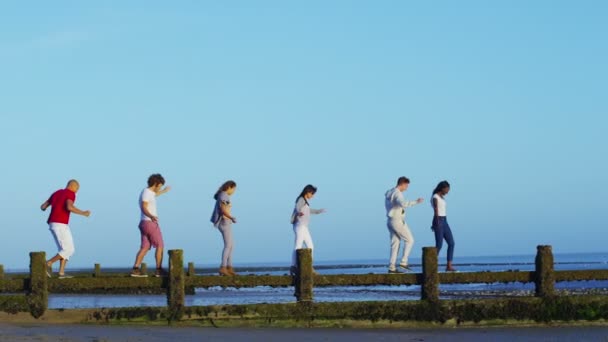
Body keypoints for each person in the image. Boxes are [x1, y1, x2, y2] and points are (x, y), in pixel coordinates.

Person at [40, 179, 91, 279]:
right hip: (60, 224)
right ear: (72, 186)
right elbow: (69, 207)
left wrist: (47, 208)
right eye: (77, 189)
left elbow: (43, 206)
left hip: (53, 223)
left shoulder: (56, 193)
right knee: (69, 249)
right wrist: (83, 213)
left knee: (64, 249)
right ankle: (48, 263)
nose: (76, 192)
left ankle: (61, 273)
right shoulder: (70, 193)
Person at [130, 174, 171, 277]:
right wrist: (151, 216)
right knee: (160, 245)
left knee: (145, 247)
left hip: (143, 223)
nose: (160, 188)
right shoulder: (147, 192)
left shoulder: (148, 192)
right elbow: (143, 206)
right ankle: (159, 270)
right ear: (156, 184)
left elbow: (154, 196)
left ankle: (135, 269)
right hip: (150, 223)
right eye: (160, 186)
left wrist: (164, 191)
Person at [384, 177, 424, 273]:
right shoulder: (397, 194)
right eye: (406, 186)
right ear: (402, 184)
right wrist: (416, 202)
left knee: (395, 244)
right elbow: (403, 204)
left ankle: (392, 267)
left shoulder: (390, 192)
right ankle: (404, 262)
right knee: (410, 240)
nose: (407, 188)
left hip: (390, 221)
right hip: (397, 221)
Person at [290, 184, 325, 275]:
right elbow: (297, 207)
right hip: (299, 225)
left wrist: (318, 211)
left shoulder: (305, 202)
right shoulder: (301, 199)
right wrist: (299, 212)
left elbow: (309, 211)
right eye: (312, 194)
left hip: (304, 227)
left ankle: (309, 266)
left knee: (310, 246)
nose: (313, 196)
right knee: (298, 245)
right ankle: (294, 266)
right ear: (307, 192)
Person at [210, 180, 238, 276]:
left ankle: (229, 267)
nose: (234, 191)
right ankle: (223, 267)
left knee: (231, 245)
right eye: (234, 189)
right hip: (224, 222)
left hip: (226, 222)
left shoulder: (223, 195)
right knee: (228, 245)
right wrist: (231, 217)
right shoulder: (224, 195)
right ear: (229, 187)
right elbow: (223, 210)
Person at [431, 180, 456, 272]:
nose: (448, 191)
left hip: (445, 220)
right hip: (439, 220)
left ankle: (449, 266)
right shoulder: (435, 197)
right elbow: (436, 210)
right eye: (447, 189)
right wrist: (436, 223)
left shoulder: (442, 197)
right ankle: (432, 265)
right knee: (439, 245)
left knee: (451, 243)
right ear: (442, 188)